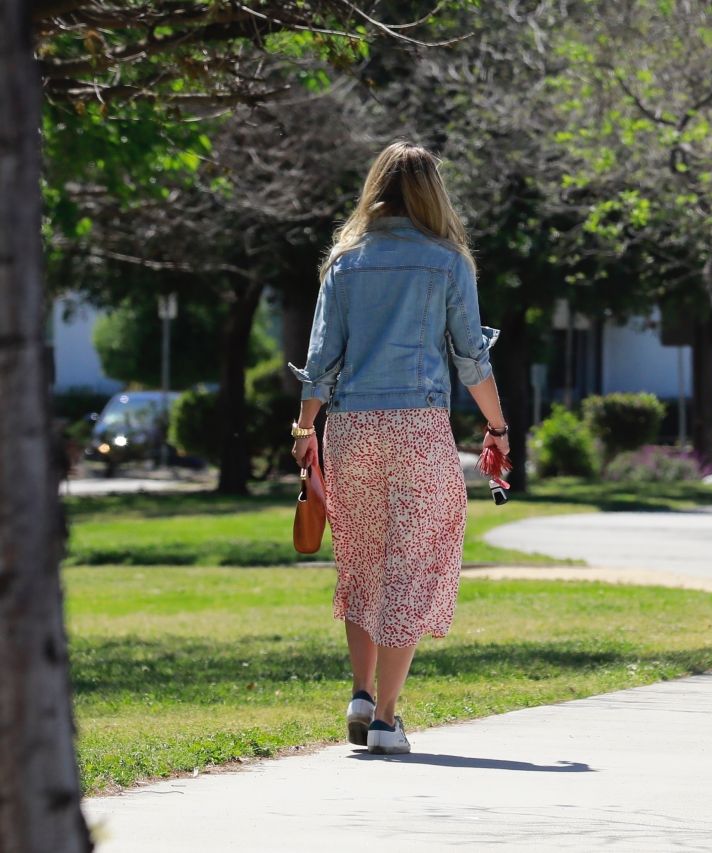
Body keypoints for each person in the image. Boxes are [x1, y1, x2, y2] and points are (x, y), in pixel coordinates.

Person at [288, 141, 509, 756]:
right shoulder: (447, 263)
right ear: (432, 193)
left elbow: (320, 361)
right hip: (417, 426)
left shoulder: (345, 262)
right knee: (412, 565)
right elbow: (472, 358)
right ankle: (386, 718)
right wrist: (497, 427)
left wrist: (305, 433)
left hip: (351, 429)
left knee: (360, 559)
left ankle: (360, 691)